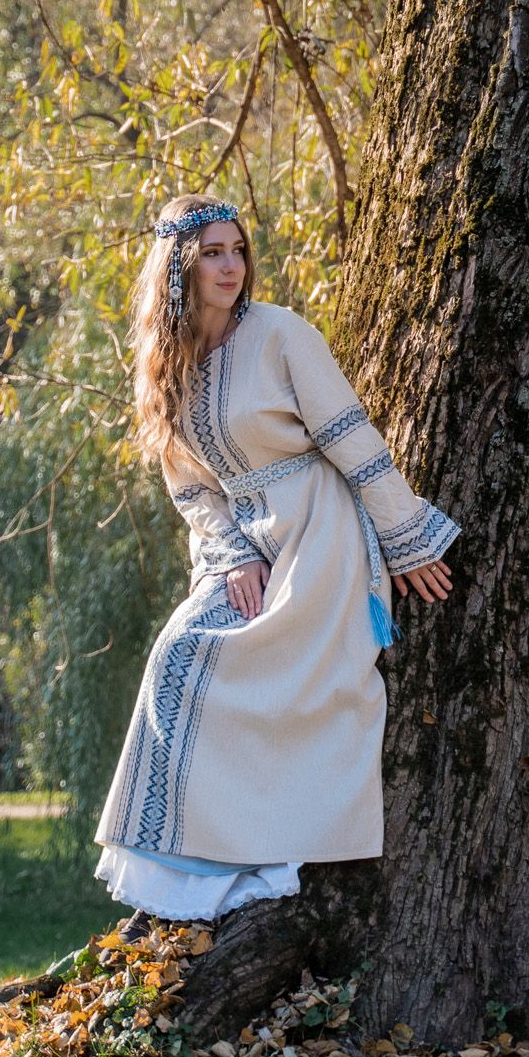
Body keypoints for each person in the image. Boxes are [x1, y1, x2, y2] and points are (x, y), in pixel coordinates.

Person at [93, 193, 461, 932]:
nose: (230, 267)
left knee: (287, 682)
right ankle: (192, 870)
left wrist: (405, 536)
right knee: (179, 657)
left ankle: (270, 855)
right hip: (245, 543)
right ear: (179, 267)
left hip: (321, 532)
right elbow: (189, 486)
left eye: (237, 251)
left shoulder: (281, 333)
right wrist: (232, 556)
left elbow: (354, 441)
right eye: (212, 254)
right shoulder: (166, 365)